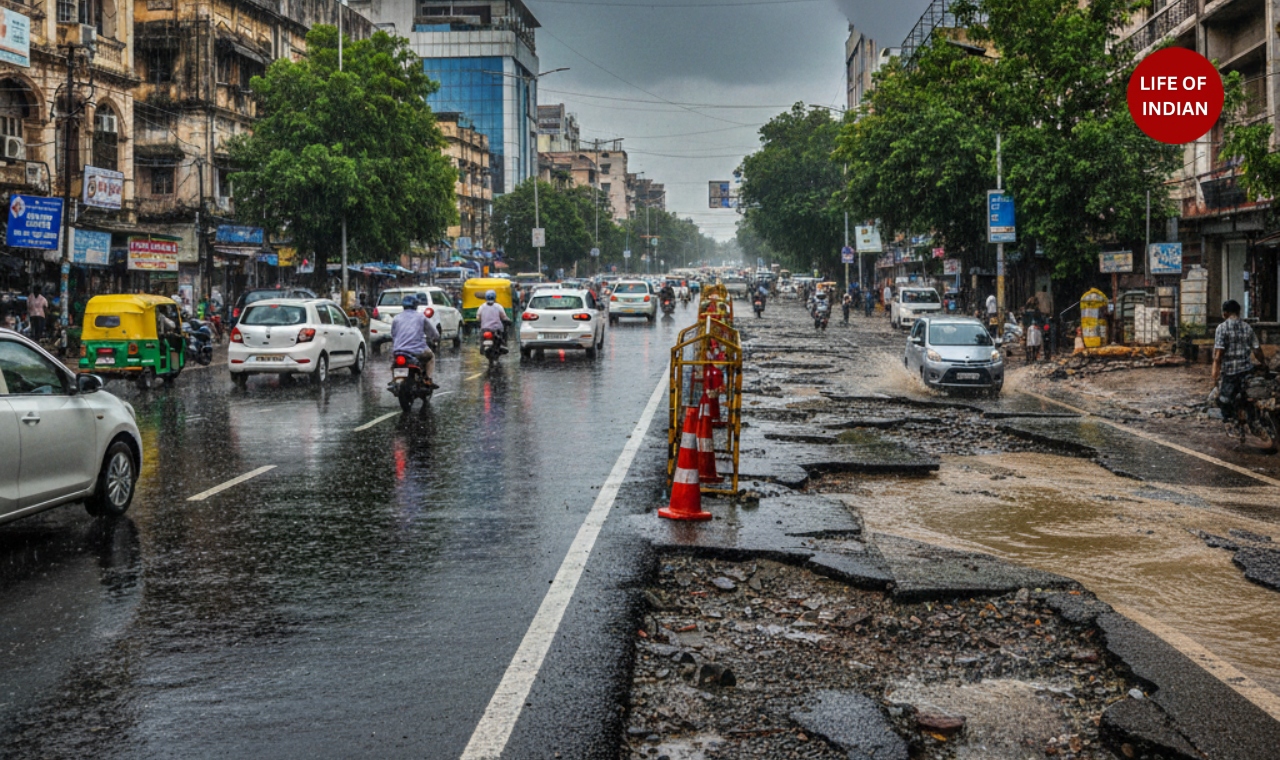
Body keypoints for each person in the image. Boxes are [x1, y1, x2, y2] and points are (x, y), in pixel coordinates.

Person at [1212, 299, 1269, 427]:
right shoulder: (1247, 327)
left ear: (1225, 313)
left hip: (1230, 373)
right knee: (1248, 397)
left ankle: (1230, 422)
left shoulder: (1221, 328)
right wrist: (1264, 364)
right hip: (1247, 371)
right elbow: (1257, 350)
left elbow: (1218, 355)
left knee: (1222, 399)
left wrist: (1215, 375)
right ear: (1238, 312)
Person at [391, 296, 440, 388]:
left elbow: (393, 335)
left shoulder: (396, 318)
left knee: (394, 363)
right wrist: (435, 338)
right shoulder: (421, 317)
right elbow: (434, 334)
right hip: (417, 351)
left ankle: (395, 380)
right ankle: (427, 379)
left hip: (398, 351)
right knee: (431, 356)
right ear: (416, 305)